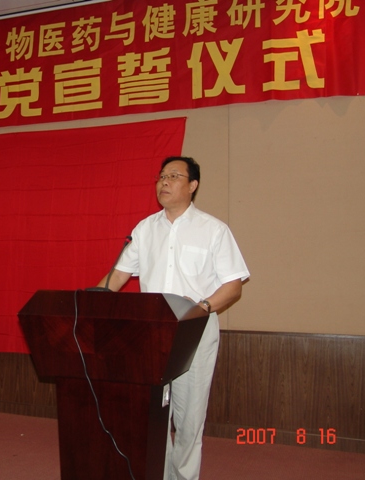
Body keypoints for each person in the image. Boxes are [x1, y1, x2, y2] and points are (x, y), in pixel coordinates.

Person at [95, 156, 250, 480]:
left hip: (193, 331)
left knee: (188, 417)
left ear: (192, 185)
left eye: (174, 176)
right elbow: (118, 275)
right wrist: (90, 301)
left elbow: (233, 286)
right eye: (161, 176)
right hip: (150, 334)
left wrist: (201, 307)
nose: (164, 182)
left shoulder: (213, 230)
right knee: (154, 414)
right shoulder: (145, 229)